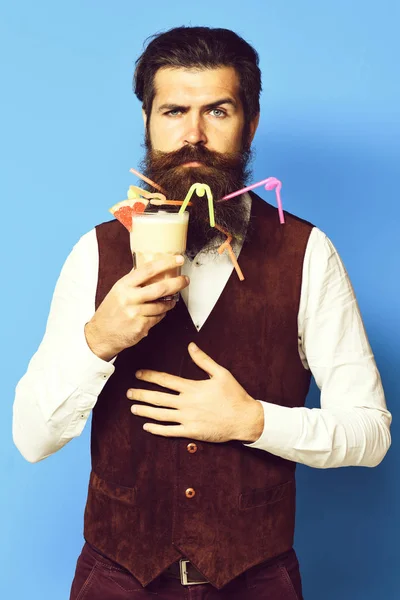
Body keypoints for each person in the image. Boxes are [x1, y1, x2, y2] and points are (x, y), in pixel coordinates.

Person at [13, 26, 391, 600]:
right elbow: (31, 440)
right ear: (147, 122)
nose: (194, 136)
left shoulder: (308, 253)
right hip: (116, 581)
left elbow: (371, 434)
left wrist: (255, 422)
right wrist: (97, 339)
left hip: (259, 580)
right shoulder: (95, 253)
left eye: (217, 110)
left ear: (251, 123)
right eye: (173, 111)